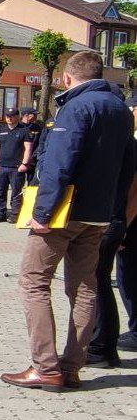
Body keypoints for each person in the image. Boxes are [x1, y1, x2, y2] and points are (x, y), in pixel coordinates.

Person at [1, 51, 134, 392]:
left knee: (33, 282)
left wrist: (42, 213)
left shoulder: (75, 106)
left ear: (67, 77)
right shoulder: (121, 110)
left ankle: (44, 367)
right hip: (99, 215)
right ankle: (72, 367)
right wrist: (115, 216)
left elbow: (60, 162)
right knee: (85, 287)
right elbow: (128, 168)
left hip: (62, 213)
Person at [85, 95, 137, 367]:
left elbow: (133, 194)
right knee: (106, 279)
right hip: (121, 222)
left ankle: (102, 346)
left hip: (120, 223)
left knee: (100, 279)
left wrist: (122, 227)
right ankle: (106, 345)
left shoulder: (129, 145)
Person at [0, 108, 33, 223]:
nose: (9, 118)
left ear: (17, 116)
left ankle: (15, 214)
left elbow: (28, 148)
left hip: (16, 168)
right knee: (0, 192)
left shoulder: (24, 130)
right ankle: (1, 213)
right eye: (8, 116)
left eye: (12, 116)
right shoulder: (1, 130)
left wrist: (24, 164)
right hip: (1, 167)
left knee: (16, 193)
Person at [21, 107, 43, 185]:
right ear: (27, 115)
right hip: (20, 160)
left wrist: (33, 156)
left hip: (33, 159)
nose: (36, 117)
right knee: (18, 183)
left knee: (32, 183)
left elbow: (40, 143)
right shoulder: (19, 127)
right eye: (34, 115)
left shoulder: (37, 127)